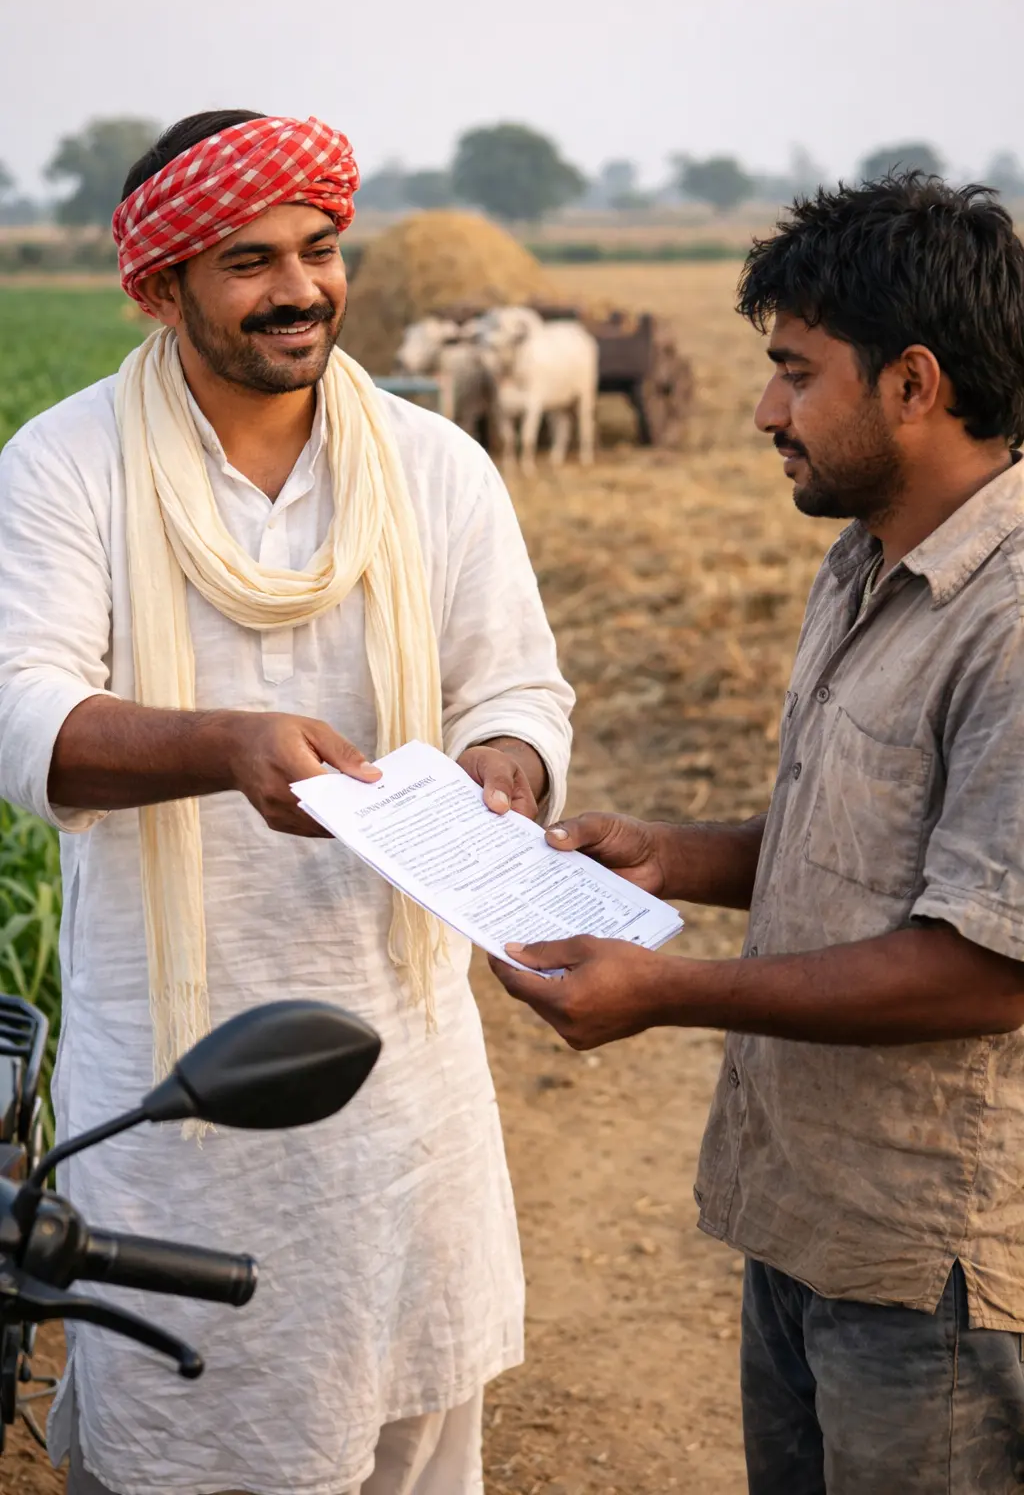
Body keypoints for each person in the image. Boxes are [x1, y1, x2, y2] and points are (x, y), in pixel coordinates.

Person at [0, 109, 573, 1495]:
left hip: (402, 1049)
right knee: (191, 1413)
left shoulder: (435, 463)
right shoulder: (66, 466)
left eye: (319, 248)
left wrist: (506, 764)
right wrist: (226, 747)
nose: (301, 287)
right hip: (178, 1066)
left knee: (405, 1408)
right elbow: (21, 716)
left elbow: (520, 689)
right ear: (160, 287)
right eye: (250, 260)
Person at [490, 175, 1024, 1494]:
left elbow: (988, 965)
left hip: (933, 1269)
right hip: (806, 1215)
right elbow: (874, 831)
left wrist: (670, 990)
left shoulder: (1012, 622)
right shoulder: (865, 556)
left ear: (912, 385)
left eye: (794, 373)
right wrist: (679, 856)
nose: (761, 410)